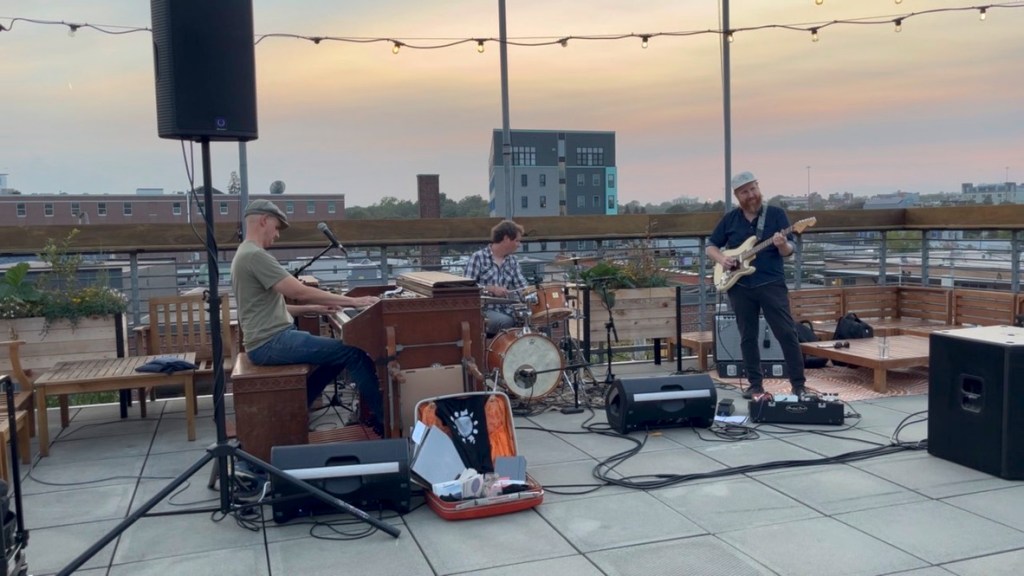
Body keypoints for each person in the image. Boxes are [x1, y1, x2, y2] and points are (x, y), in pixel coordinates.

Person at [231, 199, 384, 433]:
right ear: (264, 220)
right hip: (270, 343)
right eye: (276, 227)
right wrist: (354, 301)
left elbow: (268, 308)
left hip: (267, 340)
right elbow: (298, 292)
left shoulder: (243, 253)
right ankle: (386, 422)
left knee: (339, 356)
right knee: (354, 353)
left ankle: (298, 408)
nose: (277, 235)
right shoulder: (255, 256)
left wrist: (315, 308)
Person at [706, 171, 807, 399]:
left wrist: (782, 245)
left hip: (771, 283)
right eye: (745, 192)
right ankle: (755, 385)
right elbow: (710, 246)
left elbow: (789, 250)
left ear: (758, 187)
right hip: (740, 286)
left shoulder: (776, 214)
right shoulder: (730, 219)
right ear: (737, 196)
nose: (751, 195)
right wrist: (723, 260)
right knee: (747, 336)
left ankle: (798, 385)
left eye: (753, 189)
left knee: (786, 333)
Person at [464, 219, 528, 336]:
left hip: (507, 309)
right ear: (506, 239)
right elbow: (467, 288)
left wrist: (535, 296)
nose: (519, 245)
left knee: (533, 319)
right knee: (507, 322)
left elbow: (522, 288)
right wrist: (491, 289)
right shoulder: (478, 258)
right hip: (483, 311)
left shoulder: (513, 261)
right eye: (517, 241)